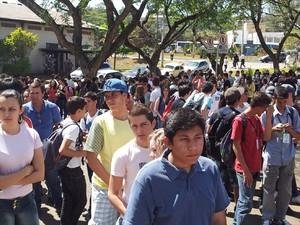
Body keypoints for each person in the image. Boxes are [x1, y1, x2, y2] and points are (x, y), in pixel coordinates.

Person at [123, 108, 229, 225]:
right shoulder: (148, 178)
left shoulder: (210, 169)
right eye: (184, 139)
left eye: (198, 138)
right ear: (168, 142)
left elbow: (218, 217)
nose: (193, 147)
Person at [85, 78, 134, 225]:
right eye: (106, 96)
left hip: (131, 188)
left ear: (125, 96)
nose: (109, 99)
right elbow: (91, 157)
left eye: (113, 95)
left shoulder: (136, 121)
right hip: (104, 188)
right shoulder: (100, 122)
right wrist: (114, 186)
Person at [0, 89, 44, 225]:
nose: (6, 113)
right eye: (2, 109)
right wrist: (25, 171)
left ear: (20, 110)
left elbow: (40, 174)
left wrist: (7, 181)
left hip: (27, 201)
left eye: (12, 109)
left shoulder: (32, 135)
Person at [108, 104, 155, 224]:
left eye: (144, 125)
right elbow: (113, 193)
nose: (139, 130)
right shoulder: (122, 154)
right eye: (134, 126)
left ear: (153, 123)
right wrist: (130, 216)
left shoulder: (166, 151)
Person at [232, 92, 272, 225]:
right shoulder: (239, 120)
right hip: (244, 169)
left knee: (246, 202)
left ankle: (235, 222)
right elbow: (235, 146)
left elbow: (266, 137)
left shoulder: (255, 119)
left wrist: (270, 116)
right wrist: (246, 171)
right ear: (259, 106)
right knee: (245, 204)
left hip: (254, 168)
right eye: (265, 107)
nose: (266, 110)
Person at [261, 86, 300, 225]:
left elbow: (298, 136)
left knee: (286, 190)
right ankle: (267, 217)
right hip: (272, 157)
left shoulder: (292, 112)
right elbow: (264, 138)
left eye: (285, 102)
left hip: (288, 158)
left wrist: (290, 130)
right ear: (274, 99)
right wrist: (272, 129)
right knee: (268, 189)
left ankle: (280, 217)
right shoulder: (267, 114)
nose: (283, 105)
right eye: (280, 102)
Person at [23, 80, 62, 213]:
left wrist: (56, 144)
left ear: (43, 93)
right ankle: (37, 206)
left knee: (53, 179)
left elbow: (58, 125)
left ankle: (59, 203)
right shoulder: (24, 109)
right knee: (35, 181)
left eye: (37, 93)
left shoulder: (52, 107)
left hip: (48, 149)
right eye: (32, 93)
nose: (34, 95)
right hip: (31, 150)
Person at [58, 96, 88, 225]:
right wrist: (81, 153)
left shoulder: (66, 121)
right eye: (84, 109)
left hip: (64, 168)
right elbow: (63, 150)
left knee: (68, 198)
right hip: (72, 170)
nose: (86, 112)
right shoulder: (73, 127)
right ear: (79, 111)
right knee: (81, 200)